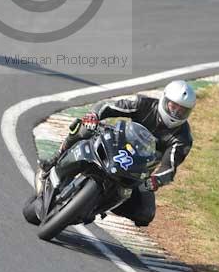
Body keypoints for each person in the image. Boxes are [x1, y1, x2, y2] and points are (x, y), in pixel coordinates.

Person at [40, 80, 196, 227]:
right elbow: (108, 106)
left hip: (139, 170)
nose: (176, 112)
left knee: (146, 214)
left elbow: (170, 167)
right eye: (173, 106)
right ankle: (56, 158)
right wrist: (94, 116)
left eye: (182, 111)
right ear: (164, 100)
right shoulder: (144, 104)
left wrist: (156, 180)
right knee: (84, 128)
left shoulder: (183, 138)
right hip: (114, 142)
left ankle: (98, 206)